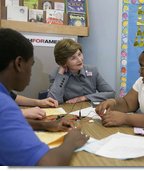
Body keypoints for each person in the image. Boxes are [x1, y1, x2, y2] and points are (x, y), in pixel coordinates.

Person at [0, 28, 89, 165]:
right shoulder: (4, 105)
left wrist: (44, 125)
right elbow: (47, 164)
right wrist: (71, 141)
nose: (30, 73)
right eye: (31, 65)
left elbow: (6, 124)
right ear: (19, 64)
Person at [47, 39, 115, 104]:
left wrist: (84, 98)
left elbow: (111, 93)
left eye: (79, 54)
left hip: (90, 112)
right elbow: (52, 102)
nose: (80, 60)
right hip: (69, 113)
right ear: (64, 62)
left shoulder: (92, 70)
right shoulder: (57, 75)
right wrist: (61, 74)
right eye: (73, 58)